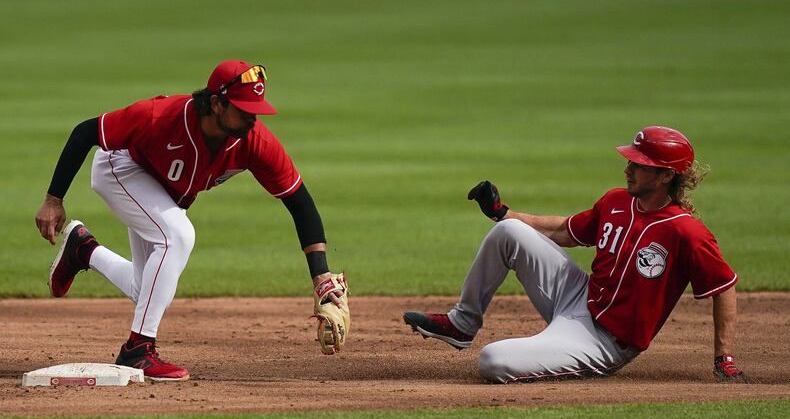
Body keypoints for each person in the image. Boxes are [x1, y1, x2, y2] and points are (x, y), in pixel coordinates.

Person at [35, 60, 349, 382]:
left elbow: (298, 201)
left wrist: (320, 276)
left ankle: (83, 250)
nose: (252, 119)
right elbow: (86, 131)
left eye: (256, 111)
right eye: (243, 110)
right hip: (120, 168)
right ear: (216, 103)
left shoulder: (255, 142)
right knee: (177, 237)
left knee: (150, 288)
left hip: (158, 187)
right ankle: (138, 350)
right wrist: (53, 199)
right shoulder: (162, 116)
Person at [404, 126, 748, 383]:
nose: (627, 168)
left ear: (666, 176)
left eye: (639, 164)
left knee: (493, 361)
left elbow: (724, 285)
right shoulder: (616, 201)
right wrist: (502, 213)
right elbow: (563, 231)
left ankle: (574, 358)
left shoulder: (686, 232)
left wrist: (724, 357)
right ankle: (462, 323)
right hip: (578, 295)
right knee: (507, 233)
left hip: (605, 340)